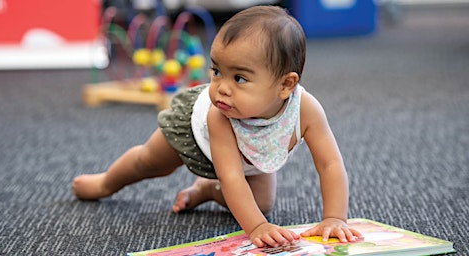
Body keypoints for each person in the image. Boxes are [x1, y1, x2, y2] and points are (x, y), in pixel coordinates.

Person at [73, 5, 363, 248]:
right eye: (216, 71)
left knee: (261, 203)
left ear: (286, 85)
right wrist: (258, 228)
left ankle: (207, 191)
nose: (221, 88)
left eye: (239, 78)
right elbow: (233, 177)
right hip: (194, 135)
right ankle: (106, 182)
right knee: (148, 162)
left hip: (253, 159)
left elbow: (330, 165)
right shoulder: (217, 113)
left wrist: (335, 217)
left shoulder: (307, 111)